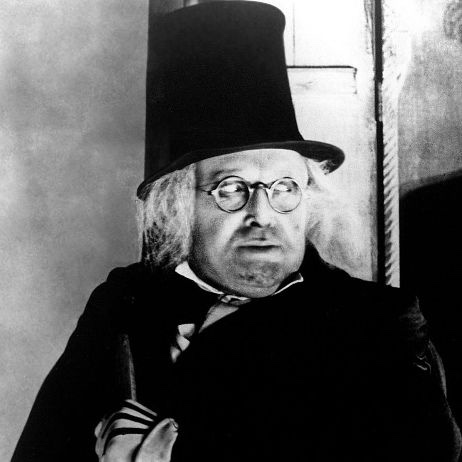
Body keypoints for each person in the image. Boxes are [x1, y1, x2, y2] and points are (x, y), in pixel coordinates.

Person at [12, 2, 461, 461]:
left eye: (285, 187)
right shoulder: (123, 303)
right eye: (231, 188)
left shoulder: (377, 323)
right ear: (178, 206)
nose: (262, 214)